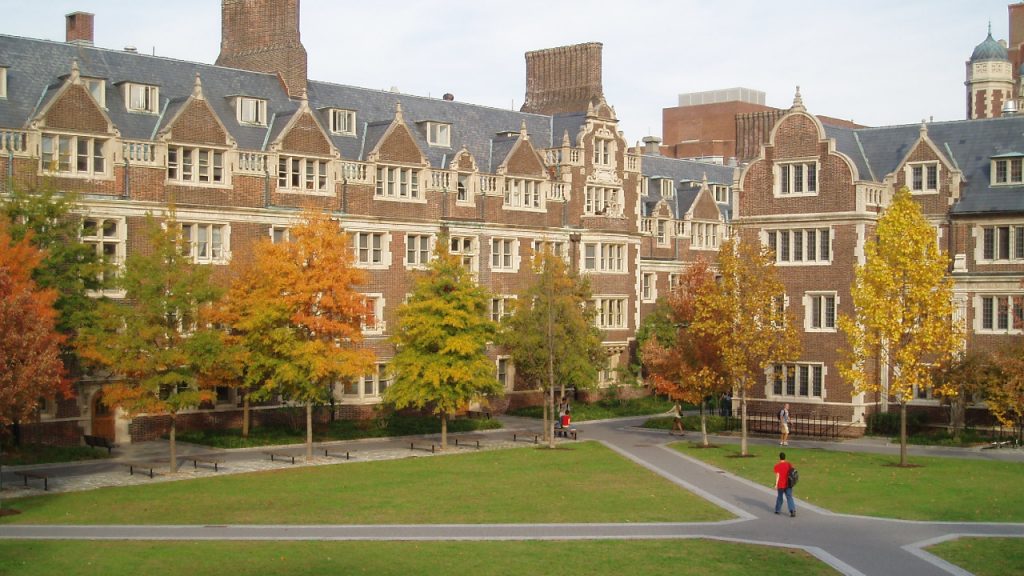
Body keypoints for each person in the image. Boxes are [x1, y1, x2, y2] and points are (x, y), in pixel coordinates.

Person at [774, 451, 796, 517]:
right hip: (788, 484)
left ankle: (777, 510)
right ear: (785, 457)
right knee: (789, 497)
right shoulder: (788, 464)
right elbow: (792, 471)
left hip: (780, 485)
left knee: (780, 498)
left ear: (779, 458)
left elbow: (777, 476)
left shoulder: (777, 466)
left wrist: (776, 484)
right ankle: (792, 510)